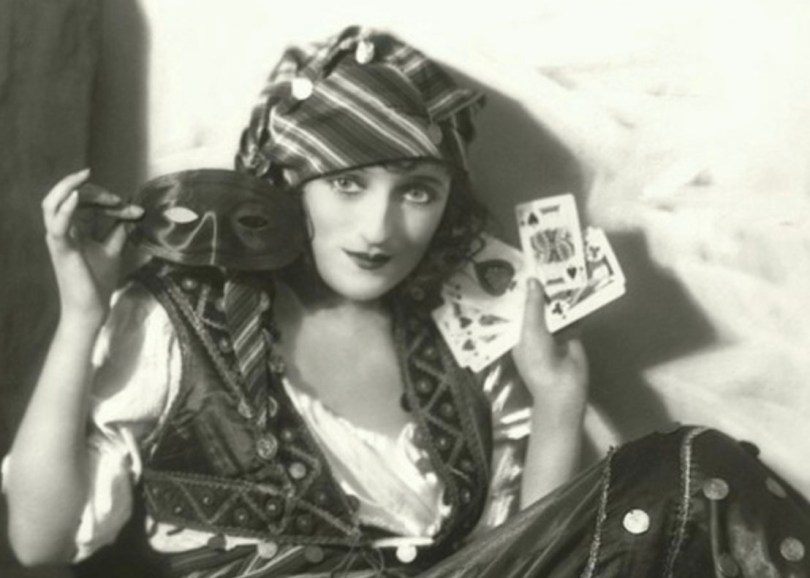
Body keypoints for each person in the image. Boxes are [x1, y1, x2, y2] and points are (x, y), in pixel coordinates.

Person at [4, 25, 810, 578]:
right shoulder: (180, 319)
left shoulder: (456, 341)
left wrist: (558, 402)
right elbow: (40, 543)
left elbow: (523, 558)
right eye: (347, 185)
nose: (380, 229)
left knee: (701, 476)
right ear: (285, 184)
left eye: (416, 191)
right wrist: (83, 318)